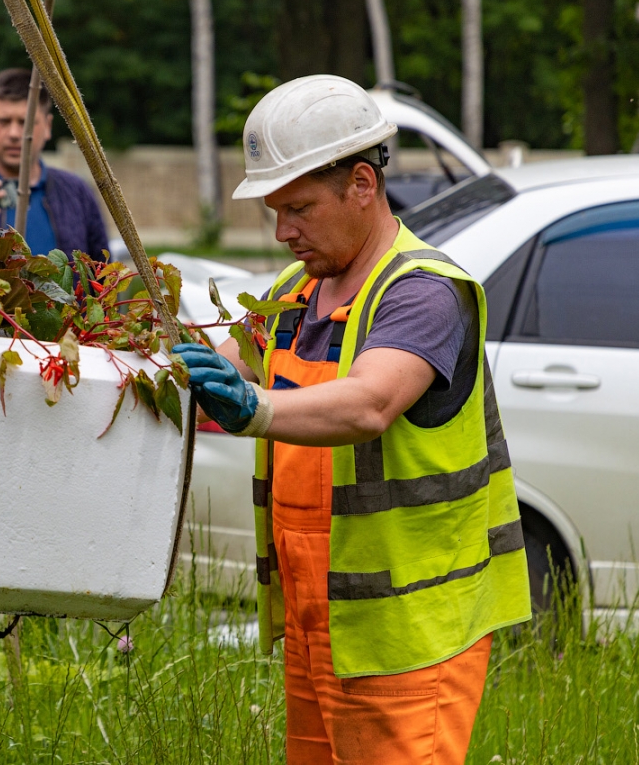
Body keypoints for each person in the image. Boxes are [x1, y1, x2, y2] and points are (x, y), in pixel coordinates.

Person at [173, 75, 531, 765]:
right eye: (274, 212)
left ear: (362, 184)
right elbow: (230, 363)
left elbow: (370, 402)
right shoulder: (294, 290)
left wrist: (257, 410)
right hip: (321, 623)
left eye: (299, 208)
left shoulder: (423, 292)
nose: (283, 232)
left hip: (406, 630)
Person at [0, 67, 109, 260]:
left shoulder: (77, 192)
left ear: (48, 126)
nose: (15, 134)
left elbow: (103, 275)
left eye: (26, 122)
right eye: (3, 121)